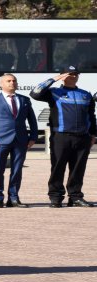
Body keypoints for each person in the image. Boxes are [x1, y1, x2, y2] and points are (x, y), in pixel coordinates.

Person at [29, 65, 96, 208]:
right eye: (70, 74)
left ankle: (75, 196)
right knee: (58, 167)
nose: (73, 76)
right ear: (63, 76)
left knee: (78, 168)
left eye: (76, 74)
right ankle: (56, 197)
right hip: (60, 136)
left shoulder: (85, 94)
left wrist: (93, 135)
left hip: (82, 137)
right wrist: (55, 79)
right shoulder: (54, 93)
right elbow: (35, 93)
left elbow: (91, 116)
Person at [0, 74, 38, 208]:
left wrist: (33, 137)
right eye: (8, 81)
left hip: (21, 140)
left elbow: (32, 120)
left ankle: (13, 197)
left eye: (14, 81)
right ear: (1, 84)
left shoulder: (24, 100)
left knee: (17, 170)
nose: (12, 83)